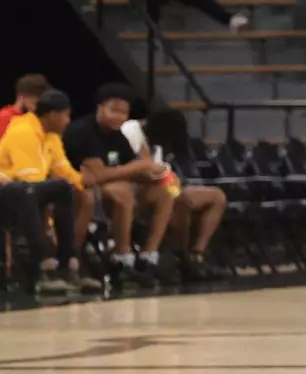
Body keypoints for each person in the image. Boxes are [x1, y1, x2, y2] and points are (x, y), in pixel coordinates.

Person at [65, 83, 176, 287]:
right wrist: (138, 166)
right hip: (80, 192)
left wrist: (158, 175)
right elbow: (96, 176)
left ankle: (147, 256)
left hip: (112, 190)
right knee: (122, 191)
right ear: (99, 107)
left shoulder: (117, 136)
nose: (119, 116)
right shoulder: (83, 131)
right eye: (114, 110)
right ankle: (121, 258)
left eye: (124, 112)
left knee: (165, 191)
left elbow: (132, 169)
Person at [0, 89, 96, 294]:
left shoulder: (51, 136)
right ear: (51, 114)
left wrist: (83, 181)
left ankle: (67, 260)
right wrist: (50, 225)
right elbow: (29, 179)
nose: (68, 121)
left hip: (26, 190)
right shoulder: (23, 131)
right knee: (28, 193)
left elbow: (64, 171)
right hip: (8, 188)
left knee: (63, 187)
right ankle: (43, 265)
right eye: (65, 115)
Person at [123, 104, 226, 282]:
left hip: (157, 190)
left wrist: (172, 182)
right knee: (179, 200)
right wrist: (169, 180)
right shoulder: (131, 130)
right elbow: (147, 167)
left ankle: (196, 255)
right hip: (131, 191)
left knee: (216, 196)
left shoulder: (159, 144)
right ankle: (179, 257)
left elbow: (164, 173)